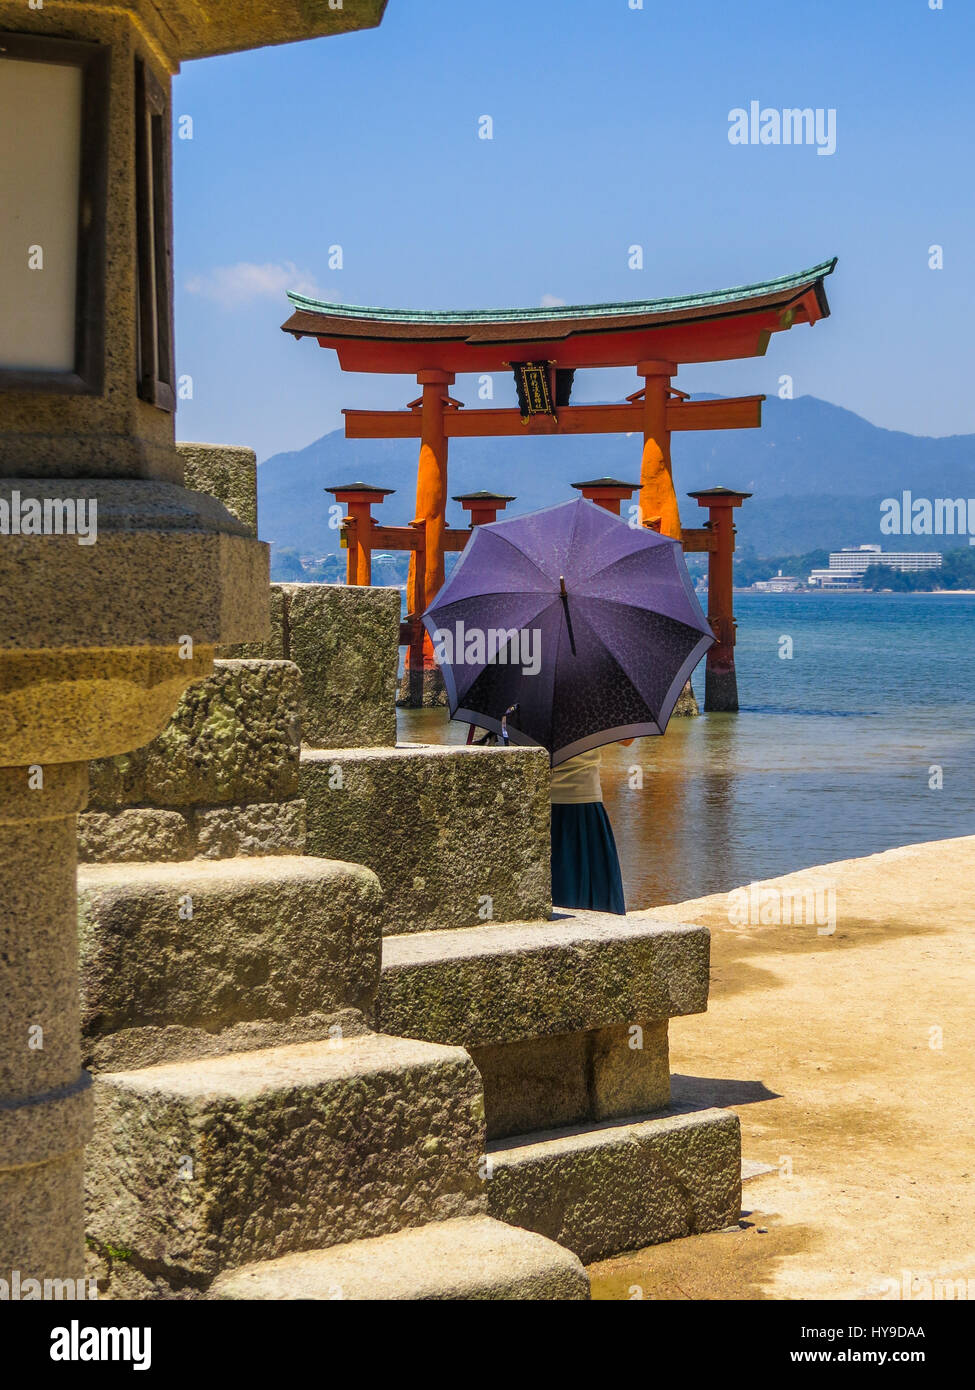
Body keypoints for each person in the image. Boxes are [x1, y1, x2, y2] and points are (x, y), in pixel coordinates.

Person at [550, 741, 630, 915]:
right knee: (599, 898)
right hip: (585, 802)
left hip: (543, 804)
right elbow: (627, 740)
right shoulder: (589, 715)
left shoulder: (520, 714)